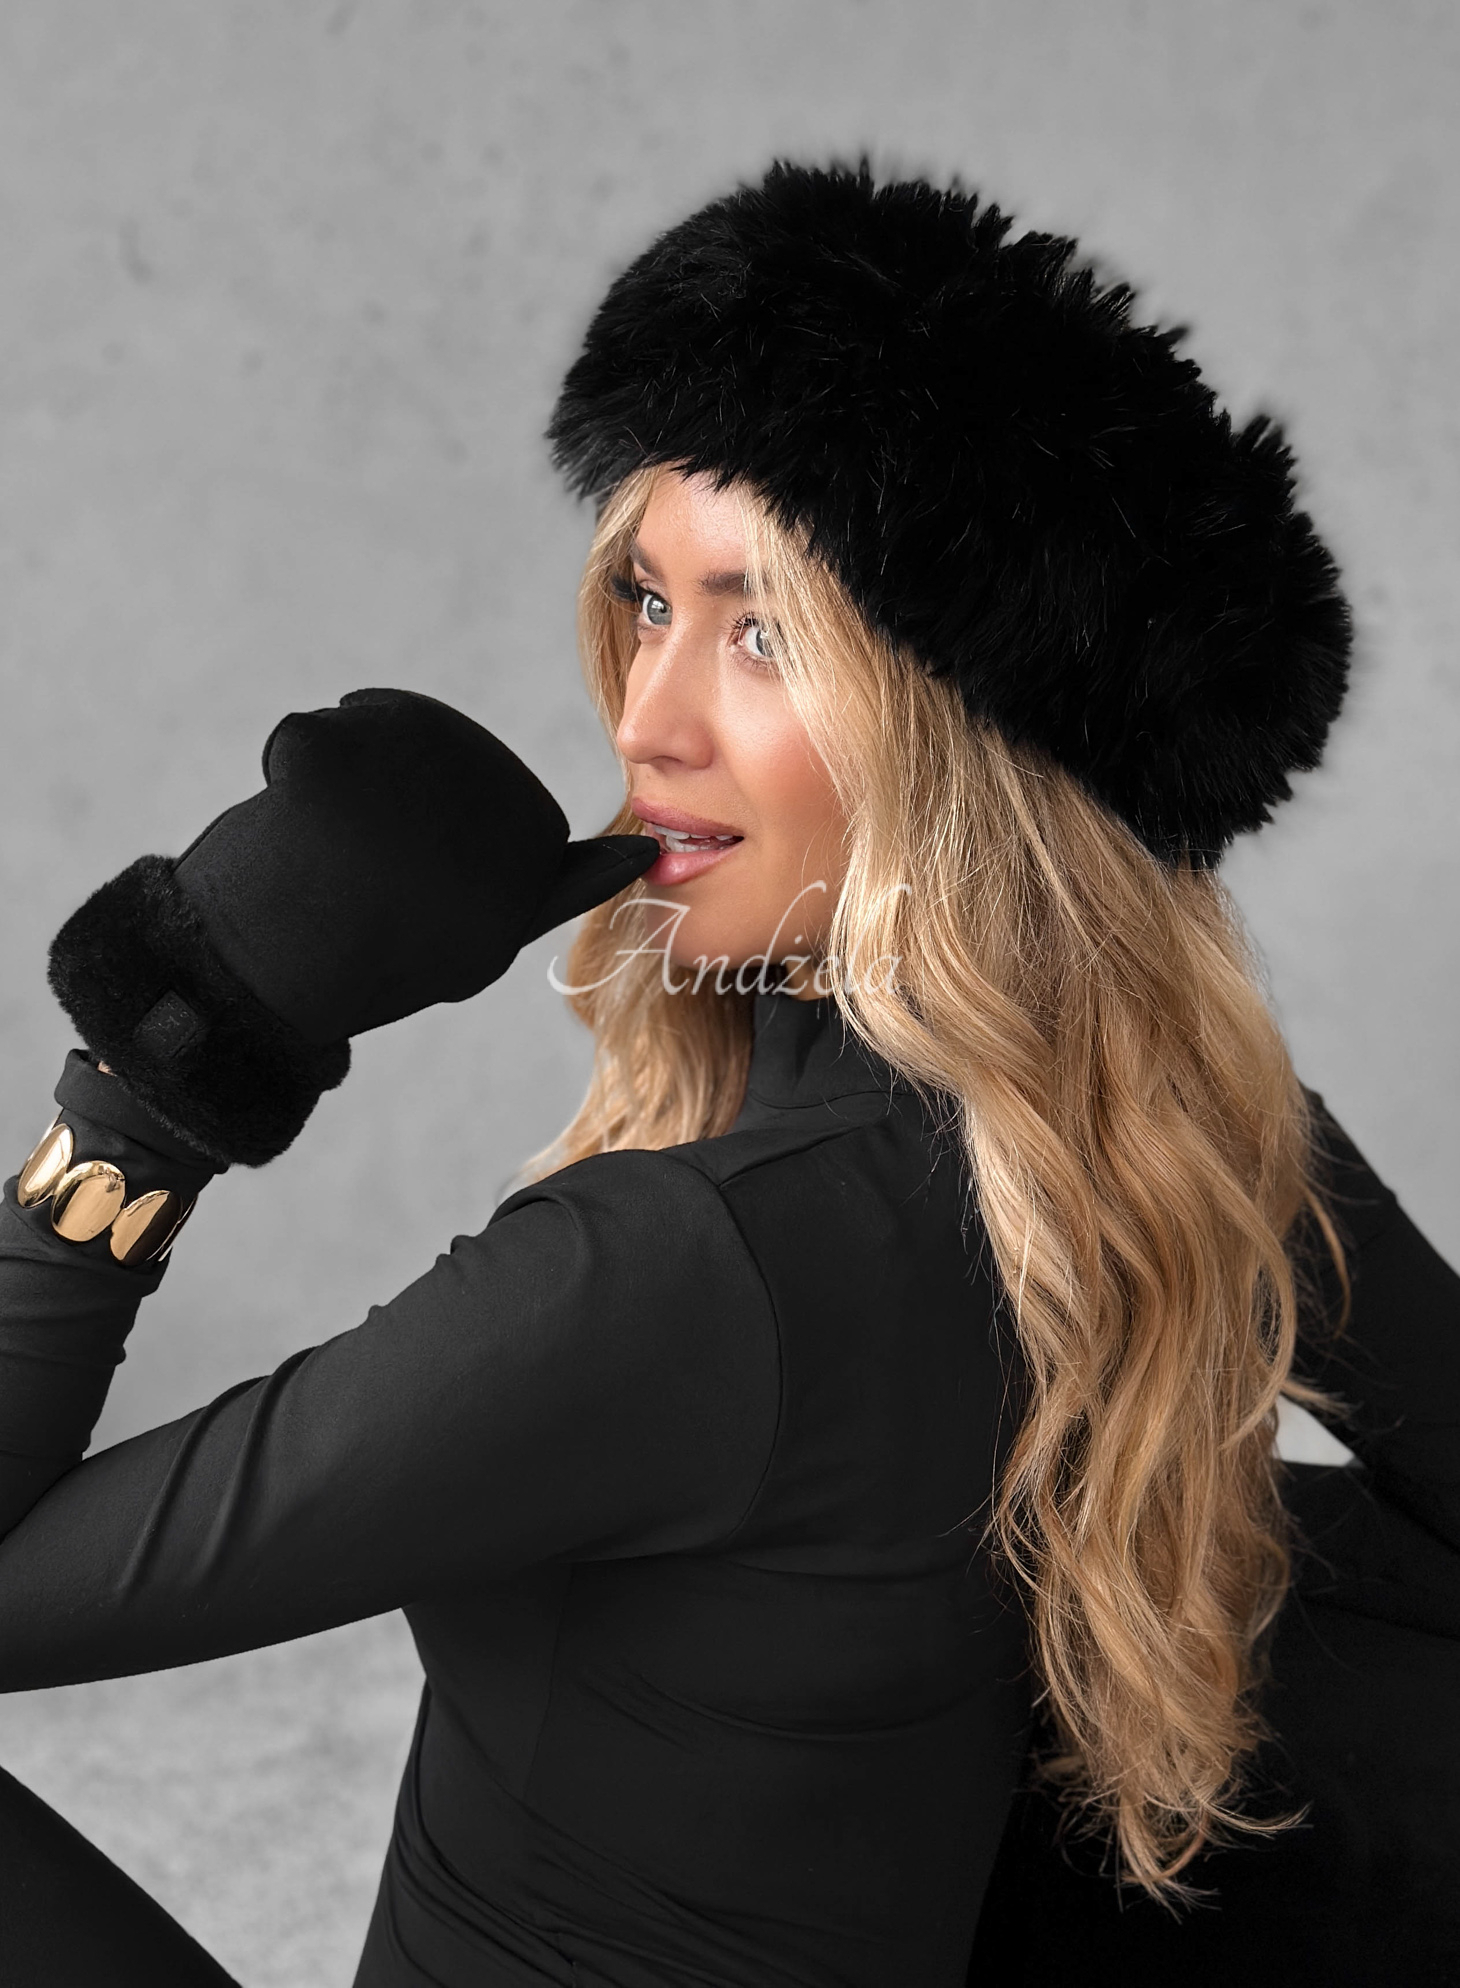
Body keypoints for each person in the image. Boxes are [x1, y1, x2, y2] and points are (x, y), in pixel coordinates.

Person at [0, 159, 1452, 1988]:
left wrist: (174, 1056)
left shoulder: (680, 1271)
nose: (646, 715)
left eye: (763, 634)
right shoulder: (1181, 1152)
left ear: (965, 741)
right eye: (647, 601)